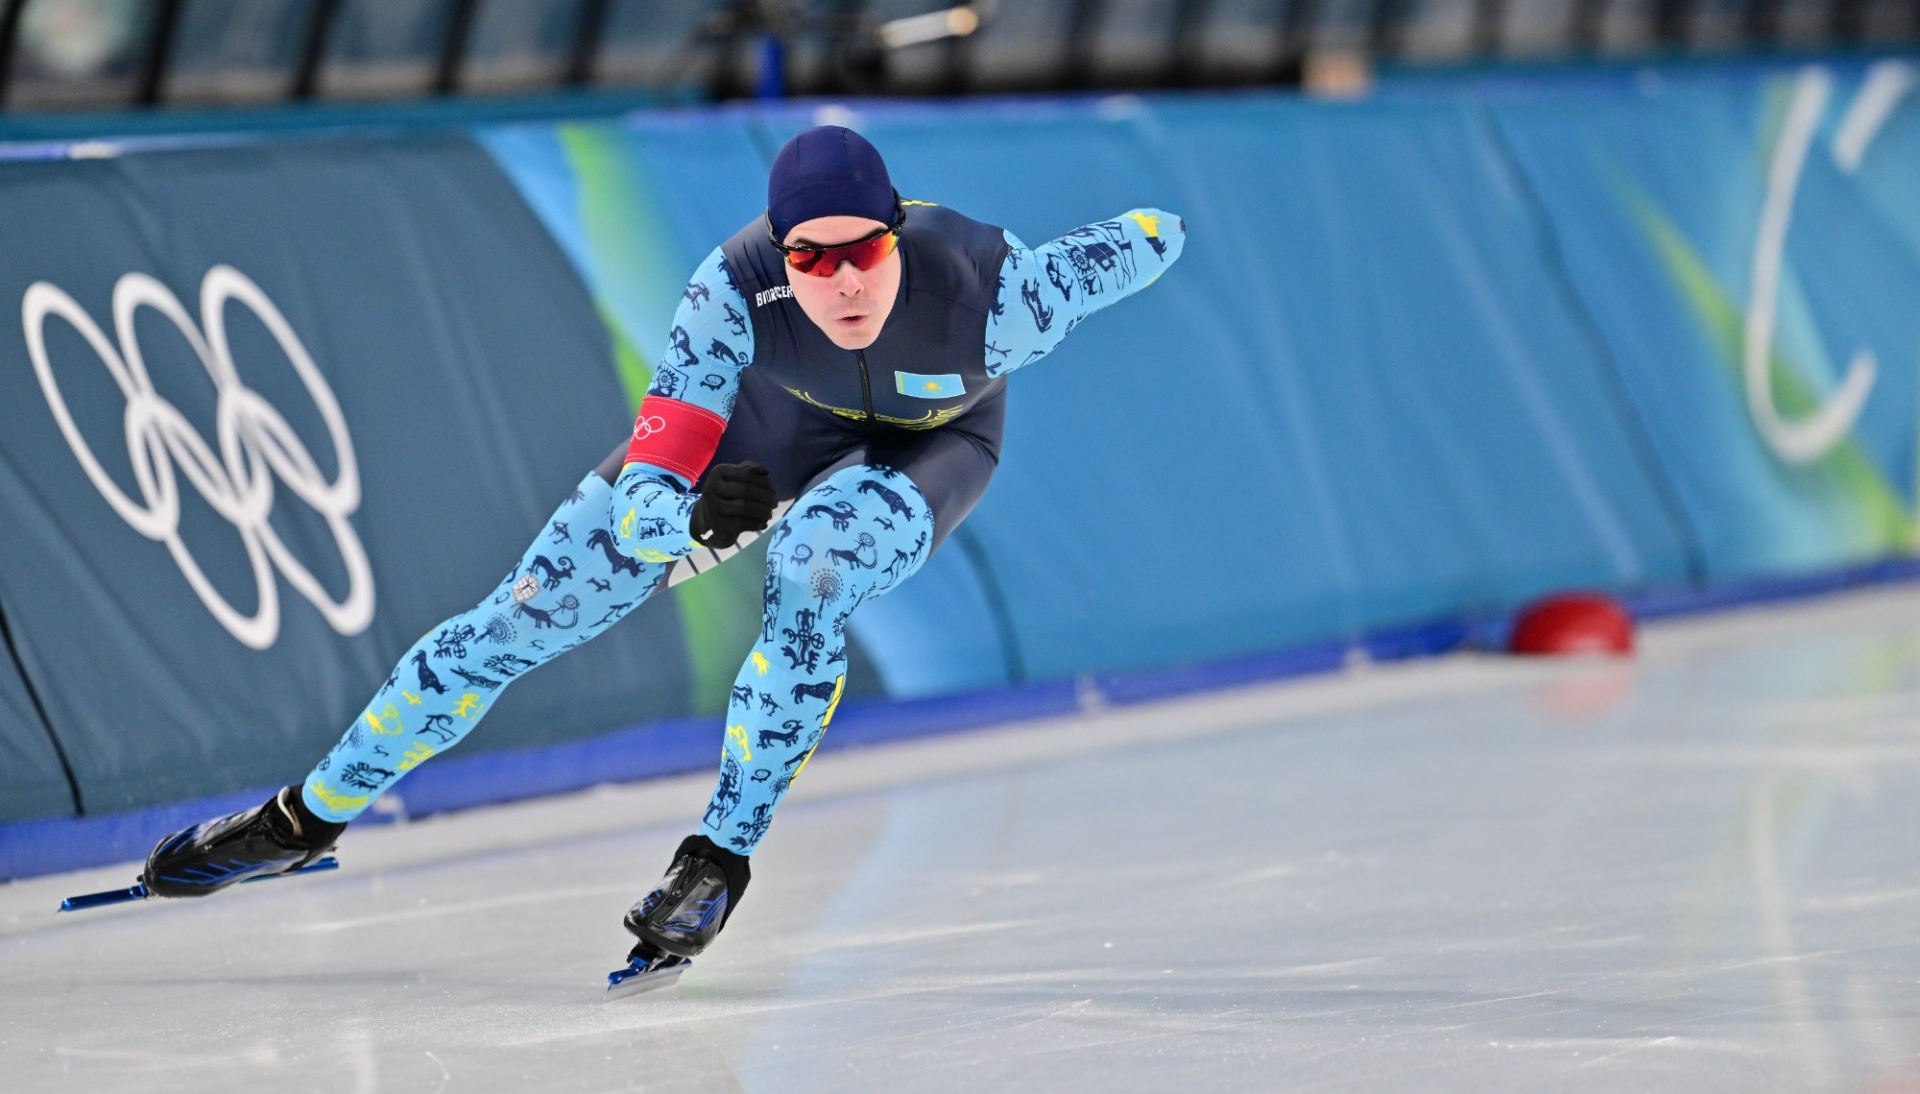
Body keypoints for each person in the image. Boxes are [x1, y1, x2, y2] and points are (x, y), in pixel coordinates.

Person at [138, 125, 1185, 985]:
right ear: (779, 253)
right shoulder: (733, 285)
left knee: (813, 570)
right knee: (516, 618)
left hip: (929, 446)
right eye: (810, 259)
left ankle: (717, 861)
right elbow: (666, 442)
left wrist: (1163, 224)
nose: (840, 281)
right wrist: (668, 507)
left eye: (863, 252)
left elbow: (1142, 240)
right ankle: (305, 816)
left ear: (898, 234)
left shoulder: (999, 296)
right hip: (768, 437)